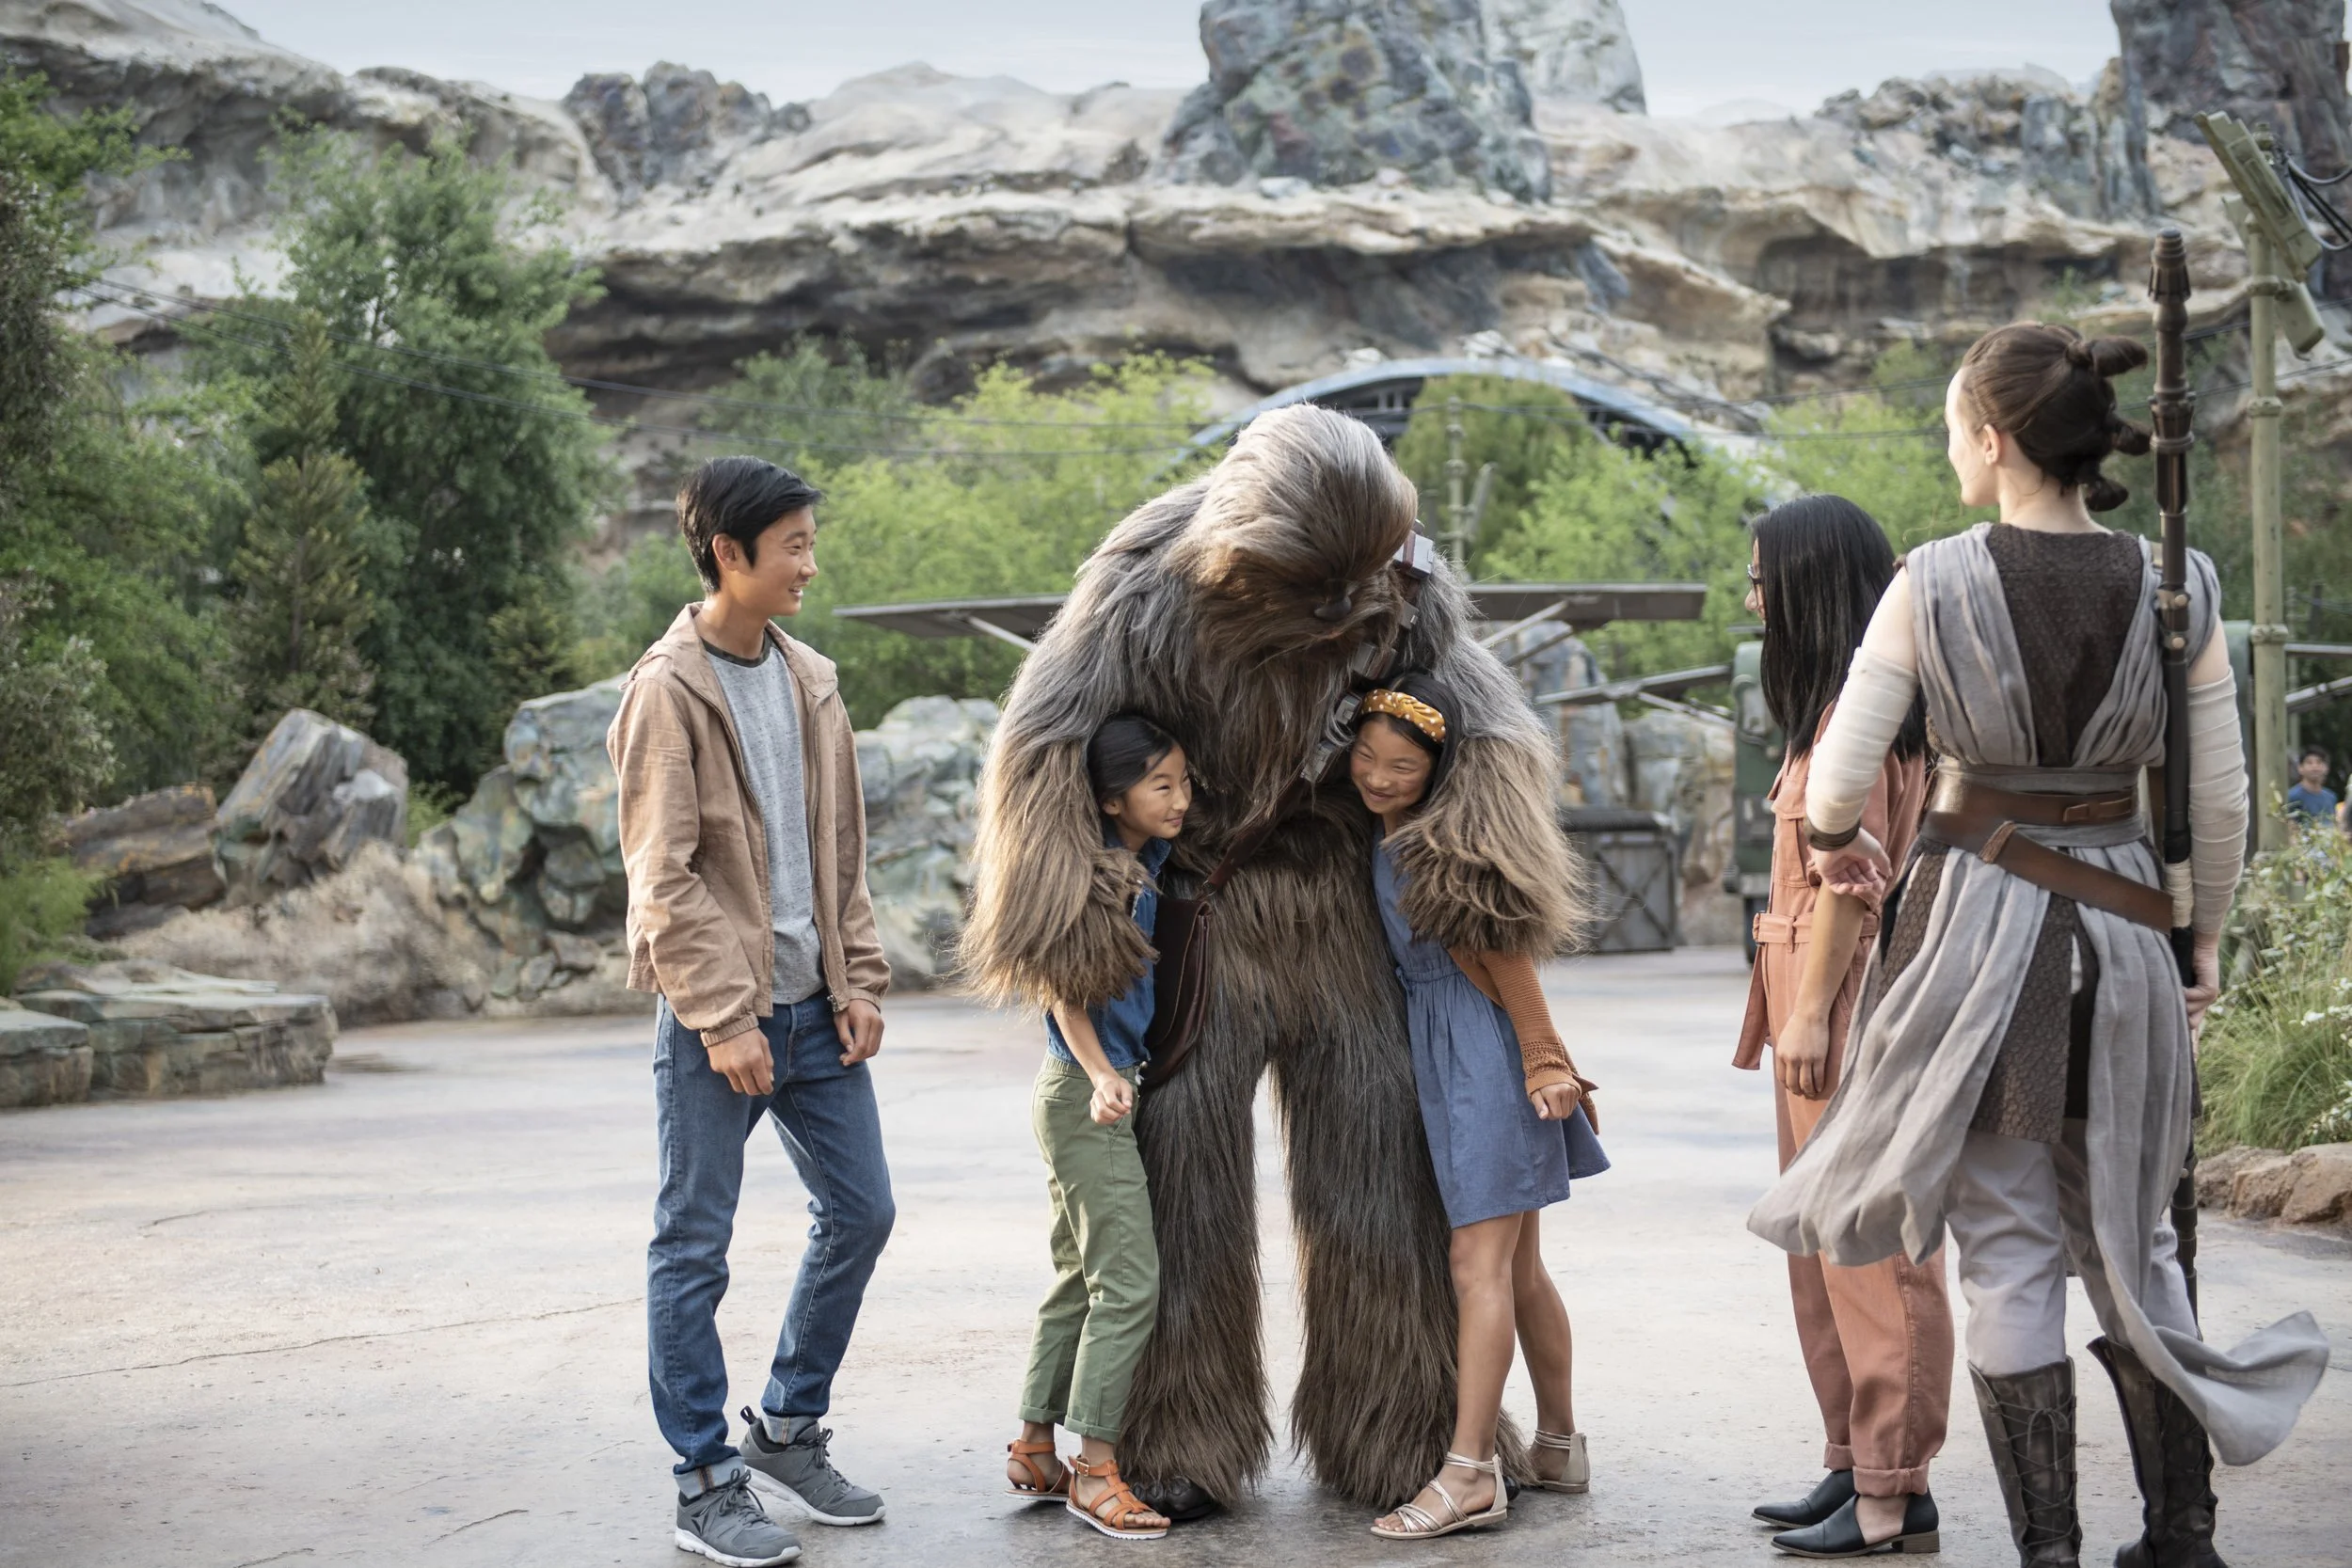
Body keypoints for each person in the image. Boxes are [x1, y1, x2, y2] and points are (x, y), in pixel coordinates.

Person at [1750, 324, 2329, 1568]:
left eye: (1956, 424)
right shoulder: (2184, 584)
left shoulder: (1931, 579)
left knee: (2011, 1250)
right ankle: (2182, 1537)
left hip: (1979, 955)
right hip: (2125, 946)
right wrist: (2204, 939)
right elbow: (2216, 799)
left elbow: (1838, 784)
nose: (1951, 445)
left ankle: (2051, 1551)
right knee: (2146, 1246)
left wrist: (1845, 845)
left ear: (1995, 439)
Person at [610, 455, 896, 1568]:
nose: (810, 565)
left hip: (817, 1013)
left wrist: (858, 979)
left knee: (861, 1210)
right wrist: (724, 1015)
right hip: (711, 1020)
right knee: (693, 1244)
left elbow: (844, 850)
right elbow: (661, 875)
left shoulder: (811, 678)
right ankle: (703, 1478)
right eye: (794, 548)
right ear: (729, 554)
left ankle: (784, 1426)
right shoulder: (665, 690)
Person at [1732, 496, 1953, 1559]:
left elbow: (1852, 885)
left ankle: (1892, 1483)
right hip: (1800, 983)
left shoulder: (1857, 725)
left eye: (1763, 577)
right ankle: (1851, 1461)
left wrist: (1813, 1006)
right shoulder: (1827, 710)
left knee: (1873, 1248)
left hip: (1843, 989)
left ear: (1815, 586)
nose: (1750, 596)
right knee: (1818, 1244)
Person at [1350, 671, 1607, 1543]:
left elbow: (1503, 951)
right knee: (1520, 1267)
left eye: (1402, 767)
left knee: (1477, 1265)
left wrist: (1542, 1056)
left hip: (1478, 1052)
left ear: (1437, 773)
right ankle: (1560, 1446)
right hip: (1443, 1047)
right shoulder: (1383, 831)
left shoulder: (1434, 844)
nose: (1380, 777)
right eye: (1366, 757)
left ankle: (1470, 1474)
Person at [1003, 715, 1191, 1541]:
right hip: (1089, 1094)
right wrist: (1105, 1074)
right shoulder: (1091, 877)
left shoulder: (1142, 861)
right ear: (1114, 800)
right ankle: (1097, 1470)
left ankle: (1035, 1444)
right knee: (1128, 1282)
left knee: (1078, 1274)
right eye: (1162, 786)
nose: (1181, 798)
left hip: (1079, 1092)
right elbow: (1059, 989)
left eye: (1186, 782)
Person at [2284, 745, 2339, 832]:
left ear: (2326, 768)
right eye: (2309, 763)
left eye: (2319, 762)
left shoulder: (2331, 797)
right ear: (2300, 768)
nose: (2315, 767)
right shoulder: (2293, 796)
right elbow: (2291, 829)